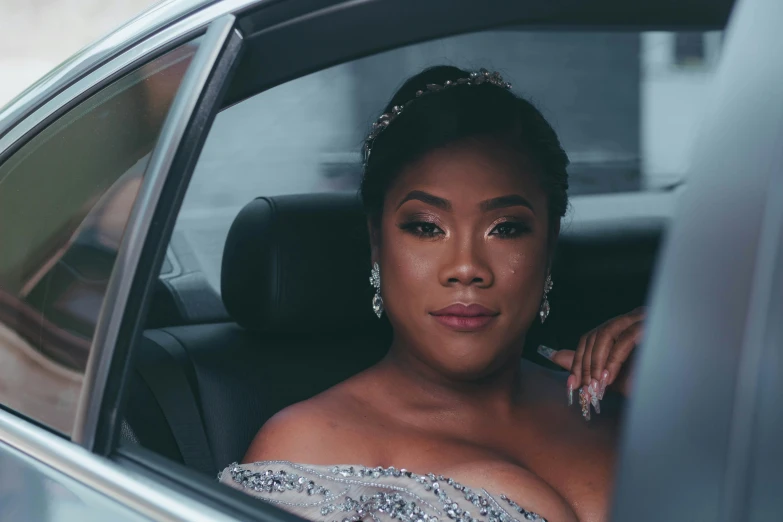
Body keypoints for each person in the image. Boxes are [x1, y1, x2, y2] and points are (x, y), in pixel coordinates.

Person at [219, 66, 645, 522]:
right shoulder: (306, 448)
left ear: (548, 243)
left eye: (506, 228)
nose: (466, 268)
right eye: (426, 227)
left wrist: (695, 399)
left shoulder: (629, 410)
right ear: (376, 243)